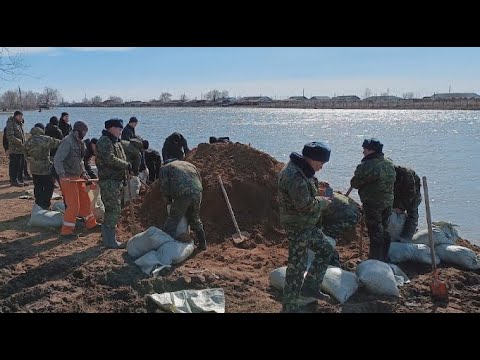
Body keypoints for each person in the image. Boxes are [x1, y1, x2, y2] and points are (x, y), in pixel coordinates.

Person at [278, 141, 334, 313]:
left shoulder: (304, 170)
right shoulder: (295, 176)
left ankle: (310, 287)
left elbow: (307, 195)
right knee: (297, 267)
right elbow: (305, 205)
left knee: (326, 249)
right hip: (298, 225)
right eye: (321, 163)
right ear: (311, 159)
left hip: (307, 224)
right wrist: (323, 202)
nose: (321, 168)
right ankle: (290, 306)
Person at [350, 138, 396, 262]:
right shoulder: (389, 163)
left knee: (375, 231)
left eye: (365, 149)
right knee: (384, 229)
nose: (363, 152)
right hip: (388, 201)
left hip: (373, 203)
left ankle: (375, 259)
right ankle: (384, 256)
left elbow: (355, 183)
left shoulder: (367, 165)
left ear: (371, 150)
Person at [54, 121, 98, 240]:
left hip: (78, 177)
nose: (85, 134)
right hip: (68, 178)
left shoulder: (80, 143)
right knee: (73, 205)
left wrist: (85, 176)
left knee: (85, 201)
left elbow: (80, 162)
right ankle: (66, 231)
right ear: (77, 131)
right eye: (83, 132)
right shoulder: (67, 142)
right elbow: (58, 160)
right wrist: (62, 176)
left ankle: (91, 224)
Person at [96, 118, 132, 249]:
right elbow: (109, 159)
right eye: (119, 128)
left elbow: (121, 158)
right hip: (108, 181)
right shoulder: (104, 141)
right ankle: (109, 241)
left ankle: (107, 238)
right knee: (113, 209)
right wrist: (125, 165)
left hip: (115, 180)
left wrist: (127, 167)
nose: (121, 131)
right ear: (111, 128)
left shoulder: (115, 142)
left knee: (113, 209)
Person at [158, 159, 206, 251]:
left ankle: (165, 246)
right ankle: (202, 244)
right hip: (197, 191)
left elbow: (164, 185)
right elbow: (199, 179)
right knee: (195, 218)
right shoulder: (190, 165)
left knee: (173, 219)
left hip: (182, 192)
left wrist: (168, 200)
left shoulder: (165, 168)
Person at [24, 123, 61, 209]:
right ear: (42, 129)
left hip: (33, 169)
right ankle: (45, 203)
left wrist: (32, 161)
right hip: (45, 168)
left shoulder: (28, 141)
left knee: (38, 186)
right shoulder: (45, 139)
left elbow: (26, 155)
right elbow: (59, 143)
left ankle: (38, 203)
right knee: (49, 186)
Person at [393, 165, 422, 241]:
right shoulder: (385, 174)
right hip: (397, 190)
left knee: (412, 210)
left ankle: (407, 236)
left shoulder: (406, 174)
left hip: (413, 188)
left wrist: (401, 207)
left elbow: (411, 193)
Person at [6, 111, 29, 187]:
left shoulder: (20, 124)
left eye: (21, 116)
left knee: (21, 165)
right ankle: (14, 180)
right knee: (15, 165)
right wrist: (19, 142)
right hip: (14, 149)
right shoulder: (11, 124)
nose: (21, 118)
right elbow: (10, 136)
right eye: (19, 116)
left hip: (21, 149)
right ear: (15, 116)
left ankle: (20, 179)